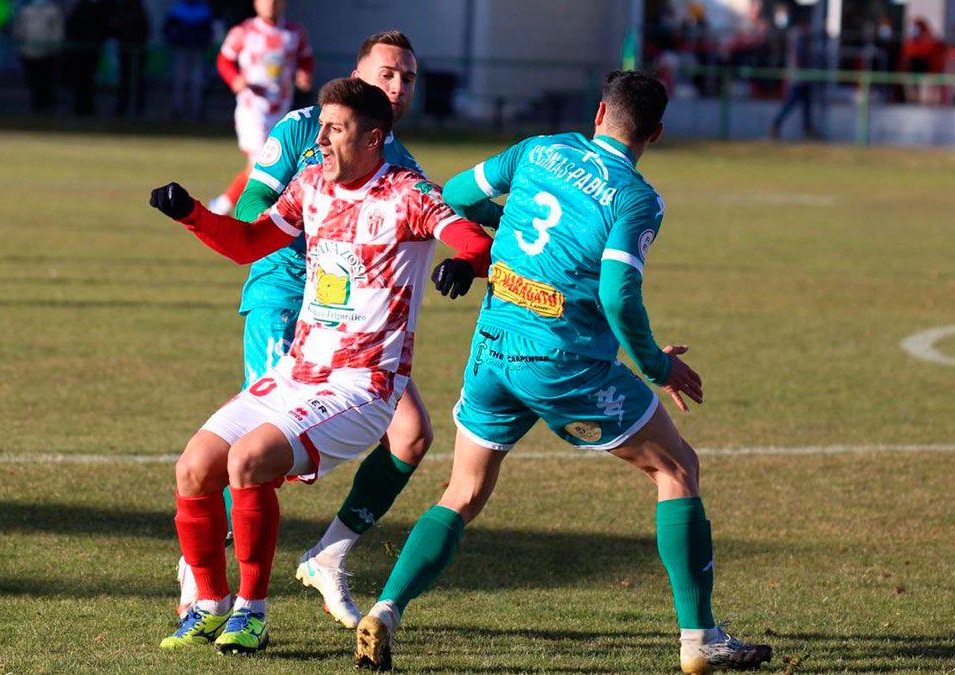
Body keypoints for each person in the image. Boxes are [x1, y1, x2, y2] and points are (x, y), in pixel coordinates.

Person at [352, 70, 774, 675]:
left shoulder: (539, 148)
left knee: (463, 492)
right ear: (654, 133)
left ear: (599, 112)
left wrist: (511, 227)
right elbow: (617, 294)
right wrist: (657, 365)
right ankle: (698, 638)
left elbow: (457, 196)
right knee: (678, 468)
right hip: (564, 363)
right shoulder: (636, 198)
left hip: (493, 349)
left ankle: (386, 610)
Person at [172, 30, 506, 630]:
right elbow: (250, 232)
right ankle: (207, 589)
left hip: (358, 375)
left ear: (371, 134)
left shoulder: (405, 183)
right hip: (289, 314)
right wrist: (193, 213)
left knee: (263, 459)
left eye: (408, 76)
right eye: (387, 73)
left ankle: (253, 606)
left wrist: (466, 257)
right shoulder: (309, 165)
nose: (398, 86)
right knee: (199, 464)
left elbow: (463, 231)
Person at [209, 0, 313, 215]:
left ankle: (235, 207)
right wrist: (234, 79)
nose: (271, 5)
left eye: (276, 1)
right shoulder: (244, 31)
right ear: (256, 3)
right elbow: (224, 60)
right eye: (266, 1)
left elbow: (306, 59)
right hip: (253, 108)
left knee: (277, 163)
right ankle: (228, 208)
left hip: (282, 108)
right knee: (261, 163)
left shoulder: (294, 32)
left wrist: (304, 73)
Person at [770, 11, 821, 140]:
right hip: (799, 76)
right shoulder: (800, 35)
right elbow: (800, 55)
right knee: (793, 101)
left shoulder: (793, 34)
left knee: (805, 103)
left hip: (797, 74)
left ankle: (807, 128)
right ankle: (777, 124)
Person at [162, 0, 213, 120]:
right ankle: (178, 109)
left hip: (197, 50)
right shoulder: (177, 9)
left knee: (197, 81)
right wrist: (175, 40)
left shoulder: (203, 9)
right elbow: (168, 29)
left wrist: (202, 41)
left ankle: (196, 110)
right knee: (179, 80)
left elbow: (208, 31)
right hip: (181, 49)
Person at [13, 0, 63, 114]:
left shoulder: (53, 10)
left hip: (47, 52)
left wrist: (55, 48)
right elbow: (19, 29)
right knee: (33, 81)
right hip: (28, 51)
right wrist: (20, 45)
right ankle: (37, 106)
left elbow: (57, 31)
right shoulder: (25, 10)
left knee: (45, 81)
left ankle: (47, 106)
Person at [64, 0, 109, 116]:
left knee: (87, 80)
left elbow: (105, 28)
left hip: (91, 49)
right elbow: (72, 27)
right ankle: (81, 106)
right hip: (83, 49)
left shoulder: (100, 8)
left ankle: (86, 106)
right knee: (82, 80)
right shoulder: (83, 8)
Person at [111, 0, 150, 117]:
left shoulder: (139, 8)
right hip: (124, 49)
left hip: (137, 51)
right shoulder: (121, 7)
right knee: (124, 79)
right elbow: (116, 28)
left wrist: (138, 44)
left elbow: (145, 29)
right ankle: (121, 108)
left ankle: (138, 108)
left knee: (138, 80)